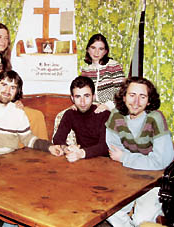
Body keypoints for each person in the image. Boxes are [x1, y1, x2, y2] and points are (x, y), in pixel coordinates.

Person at [105, 77, 174, 227]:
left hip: (153, 181)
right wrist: (127, 160)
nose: (136, 102)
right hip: (127, 178)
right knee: (110, 212)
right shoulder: (116, 115)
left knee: (140, 220)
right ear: (123, 97)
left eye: (142, 97)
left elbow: (162, 161)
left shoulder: (155, 118)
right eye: (132, 95)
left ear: (149, 101)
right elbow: (113, 150)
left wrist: (125, 157)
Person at [0, 70, 64, 157]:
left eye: (13, 87)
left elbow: (28, 139)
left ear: (17, 91)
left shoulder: (18, 113)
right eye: (4, 85)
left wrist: (49, 147)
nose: (7, 91)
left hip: (10, 160)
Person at [53, 76, 110, 162]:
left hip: (104, 161)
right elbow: (58, 138)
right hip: (82, 161)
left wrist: (81, 153)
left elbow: (105, 146)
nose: (82, 102)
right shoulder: (70, 114)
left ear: (93, 97)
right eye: (78, 97)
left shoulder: (104, 114)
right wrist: (66, 149)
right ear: (72, 98)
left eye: (86, 96)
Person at [81, 33, 125, 112]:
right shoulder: (85, 70)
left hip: (112, 106)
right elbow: (82, 91)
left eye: (100, 49)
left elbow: (121, 91)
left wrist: (108, 105)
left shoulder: (113, 66)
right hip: (92, 106)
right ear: (88, 49)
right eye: (93, 48)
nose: (96, 52)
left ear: (105, 51)